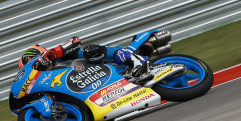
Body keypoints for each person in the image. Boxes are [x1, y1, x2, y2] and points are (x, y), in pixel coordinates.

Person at [17, 37, 150, 77]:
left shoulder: (58, 56)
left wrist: (55, 52)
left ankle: (136, 60)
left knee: (88, 51)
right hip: (96, 83)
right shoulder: (48, 79)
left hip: (109, 64)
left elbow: (75, 40)